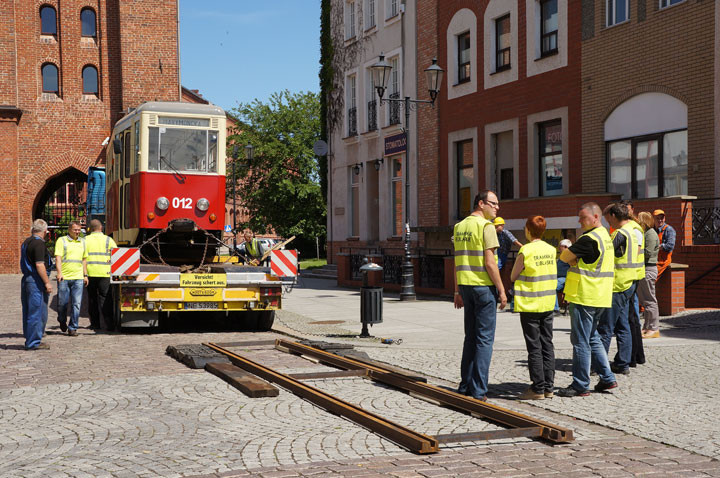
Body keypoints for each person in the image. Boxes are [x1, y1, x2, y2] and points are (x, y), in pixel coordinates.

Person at [557, 202, 617, 397]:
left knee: (581, 341)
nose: (579, 221)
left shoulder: (588, 239)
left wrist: (572, 257)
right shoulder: (606, 237)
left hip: (585, 295)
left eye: (583, 217)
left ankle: (580, 384)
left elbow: (564, 257)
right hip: (600, 295)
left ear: (596, 217)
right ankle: (607, 378)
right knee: (593, 338)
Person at [453, 190, 507, 401]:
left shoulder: (459, 226)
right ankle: (479, 390)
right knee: (484, 340)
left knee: (470, 337)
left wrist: (456, 291)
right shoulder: (486, 226)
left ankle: (465, 385)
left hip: (466, 286)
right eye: (493, 204)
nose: (497, 208)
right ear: (481, 203)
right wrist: (502, 290)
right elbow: (490, 262)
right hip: (484, 287)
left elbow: (457, 261)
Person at [510, 216, 557, 400]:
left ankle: (537, 388)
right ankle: (549, 387)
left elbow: (514, 276)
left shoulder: (526, 250)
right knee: (547, 344)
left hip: (530, 304)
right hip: (547, 302)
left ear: (528, 230)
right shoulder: (551, 250)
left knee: (534, 347)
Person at [600, 203, 645, 375]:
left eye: (607, 218)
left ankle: (600, 365)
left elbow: (605, 255)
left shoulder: (620, 233)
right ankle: (622, 363)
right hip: (630, 281)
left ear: (613, 215)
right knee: (623, 325)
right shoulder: (633, 230)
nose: (607, 222)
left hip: (618, 284)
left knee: (605, 327)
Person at [20, 219, 53, 350]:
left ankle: (30, 337)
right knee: (36, 311)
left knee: (28, 310)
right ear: (45, 231)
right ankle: (33, 342)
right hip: (36, 280)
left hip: (27, 279)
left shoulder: (26, 242)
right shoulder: (38, 244)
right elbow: (39, 264)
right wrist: (47, 282)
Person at [621, 200, 646, 367]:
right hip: (632, 275)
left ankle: (634, 355)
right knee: (631, 318)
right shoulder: (630, 229)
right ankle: (636, 355)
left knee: (631, 318)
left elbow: (634, 252)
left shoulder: (633, 229)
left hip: (631, 276)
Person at [55, 220, 88, 336]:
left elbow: (84, 260)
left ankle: (73, 327)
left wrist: (85, 275)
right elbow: (58, 258)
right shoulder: (61, 241)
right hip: (64, 277)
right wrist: (59, 273)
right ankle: (62, 320)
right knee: (62, 303)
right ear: (69, 230)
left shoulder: (83, 242)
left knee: (76, 304)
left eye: (79, 230)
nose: (77, 232)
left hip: (78, 278)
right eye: (75, 230)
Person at [85, 219, 117, 330]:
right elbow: (116, 255)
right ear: (101, 228)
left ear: (90, 229)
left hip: (89, 273)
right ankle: (109, 324)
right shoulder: (109, 240)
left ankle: (95, 324)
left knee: (92, 299)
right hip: (105, 273)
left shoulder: (85, 240)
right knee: (106, 299)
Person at [638, 211, 661, 339]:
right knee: (646, 301)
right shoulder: (645, 233)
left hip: (649, 268)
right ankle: (647, 327)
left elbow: (648, 252)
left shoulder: (650, 234)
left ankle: (653, 328)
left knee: (650, 300)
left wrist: (635, 251)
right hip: (644, 268)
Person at [653, 210, 676, 279]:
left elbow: (670, 246)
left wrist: (656, 247)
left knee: (650, 278)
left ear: (664, 219)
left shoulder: (669, 230)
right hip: (653, 260)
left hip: (663, 262)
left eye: (662, 218)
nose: (660, 220)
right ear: (653, 219)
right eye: (657, 218)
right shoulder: (652, 230)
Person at [554, 239, 572, 314]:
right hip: (558, 278)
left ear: (565, 247)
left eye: (560, 246)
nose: (559, 248)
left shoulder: (569, 256)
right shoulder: (561, 257)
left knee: (552, 286)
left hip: (565, 278)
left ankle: (555, 309)